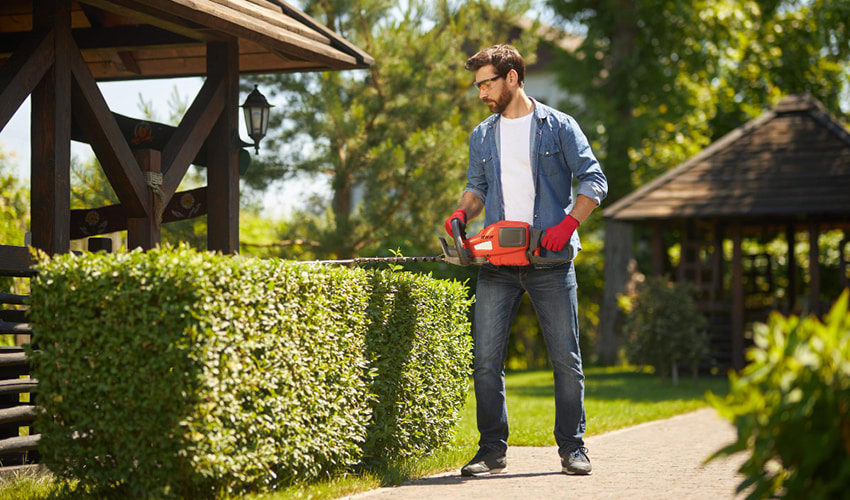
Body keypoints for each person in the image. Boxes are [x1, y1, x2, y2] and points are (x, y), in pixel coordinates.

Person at [445, 45, 608, 477]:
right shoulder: (482, 135)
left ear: (512, 78)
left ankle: (573, 447)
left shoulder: (558, 126)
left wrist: (569, 225)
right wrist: (463, 212)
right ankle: (491, 451)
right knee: (485, 360)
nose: (481, 92)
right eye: (478, 85)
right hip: (499, 263)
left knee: (565, 360)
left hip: (551, 262)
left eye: (487, 83)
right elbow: (476, 188)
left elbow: (595, 179)